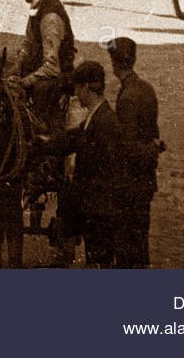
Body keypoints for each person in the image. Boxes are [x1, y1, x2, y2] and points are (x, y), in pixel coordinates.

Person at [49, 61, 122, 267]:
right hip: (95, 211)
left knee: (99, 264)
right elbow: (75, 138)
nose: (76, 95)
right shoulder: (97, 116)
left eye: (77, 89)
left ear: (87, 88)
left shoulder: (104, 122)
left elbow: (98, 174)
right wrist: (46, 144)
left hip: (99, 213)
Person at [108, 37, 162, 268]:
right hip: (145, 180)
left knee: (127, 245)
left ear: (113, 63)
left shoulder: (127, 98)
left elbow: (128, 148)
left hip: (130, 183)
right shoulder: (145, 88)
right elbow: (153, 132)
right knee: (139, 240)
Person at [10, 0, 75, 127]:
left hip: (56, 79)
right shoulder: (39, 4)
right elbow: (30, 41)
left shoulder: (49, 17)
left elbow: (51, 67)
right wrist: (18, 64)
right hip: (41, 68)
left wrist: (24, 82)